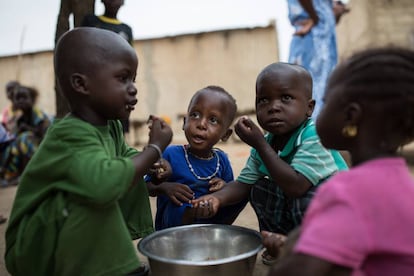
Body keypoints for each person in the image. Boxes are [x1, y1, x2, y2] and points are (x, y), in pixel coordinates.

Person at [5, 27, 173, 276]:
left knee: (126, 172)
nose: (133, 88)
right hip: (34, 246)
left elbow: (125, 156)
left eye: (133, 79)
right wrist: (155, 148)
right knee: (101, 188)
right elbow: (105, 183)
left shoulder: (111, 124)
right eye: (123, 78)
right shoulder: (68, 134)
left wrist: (151, 163)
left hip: (59, 233)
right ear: (81, 84)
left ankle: (109, 262)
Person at [266, 47, 414, 275]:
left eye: (325, 102)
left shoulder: (350, 191)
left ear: (350, 117)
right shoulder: (400, 180)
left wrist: (287, 258)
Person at [192, 62, 348, 265]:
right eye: (264, 100)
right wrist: (217, 199)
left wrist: (260, 144)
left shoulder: (313, 135)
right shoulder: (266, 141)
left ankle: (318, 252)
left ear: (309, 108)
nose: (274, 107)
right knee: (260, 189)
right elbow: (243, 185)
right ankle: (280, 244)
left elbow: (297, 185)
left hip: (339, 214)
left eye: (286, 98)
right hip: (301, 203)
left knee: (307, 197)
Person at [146, 85, 247, 230]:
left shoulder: (221, 160)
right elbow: (147, 187)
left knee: (241, 195)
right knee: (180, 202)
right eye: (195, 115)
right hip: (174, 229)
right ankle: (192, 212)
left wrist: (223, 187)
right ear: (184, 122)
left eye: (213, 120)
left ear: (225, 134)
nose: (201, 124)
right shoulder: (170, 154)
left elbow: (230, 191)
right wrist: (165, 188)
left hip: (210, 220)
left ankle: (219, 230)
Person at [287, 0, 349, 119]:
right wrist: (314, 18)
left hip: (322, 41)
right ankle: (311, 135)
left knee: (320, 91)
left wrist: (333, 12)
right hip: (313, 40)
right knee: (311, 90)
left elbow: (324, 18)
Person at [82, 0, 134, 134]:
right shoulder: (91, 21)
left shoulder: (126, 29)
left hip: (118, 84)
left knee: (117, 127)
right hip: (96, 80)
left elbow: (129, 57)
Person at [1, 85, 52, 186]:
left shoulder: (37, 113)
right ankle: (11, 175)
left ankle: (32, 173)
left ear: (32, 100)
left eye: (24, 98)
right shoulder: (19, 116)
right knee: (13, 144)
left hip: (45, 149)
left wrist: (27, 129)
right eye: (18, 98)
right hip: (31, 147)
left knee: (24, 138)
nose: (21, 101)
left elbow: (43, 135)